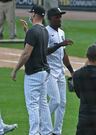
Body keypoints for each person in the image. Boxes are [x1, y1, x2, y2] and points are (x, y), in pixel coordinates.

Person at [11, 5, 53, 135]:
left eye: (31, 13)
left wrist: (15, 70)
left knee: (33, 105)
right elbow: (37, 44)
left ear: (35, 15)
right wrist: (27, 31)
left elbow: (26, 54)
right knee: (43, 104)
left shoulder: (33, 32)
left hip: (34, 73)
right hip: (44, 71)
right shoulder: (44, 30)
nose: (30, 15)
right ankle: (47, 131)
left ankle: (34, 133)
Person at [45, 7, 74, 135]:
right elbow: (44, 51)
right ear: (50, 18)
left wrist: (71, 71)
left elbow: (63, 54)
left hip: (60, 71)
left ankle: (56, 131)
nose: (59, 18)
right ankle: (42, 123)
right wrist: (59, 44)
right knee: (55, 101)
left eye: (60, 16)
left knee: (62, 103)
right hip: (49, 71)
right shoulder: (45, 32)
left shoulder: (61, 32)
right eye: (57, 16)